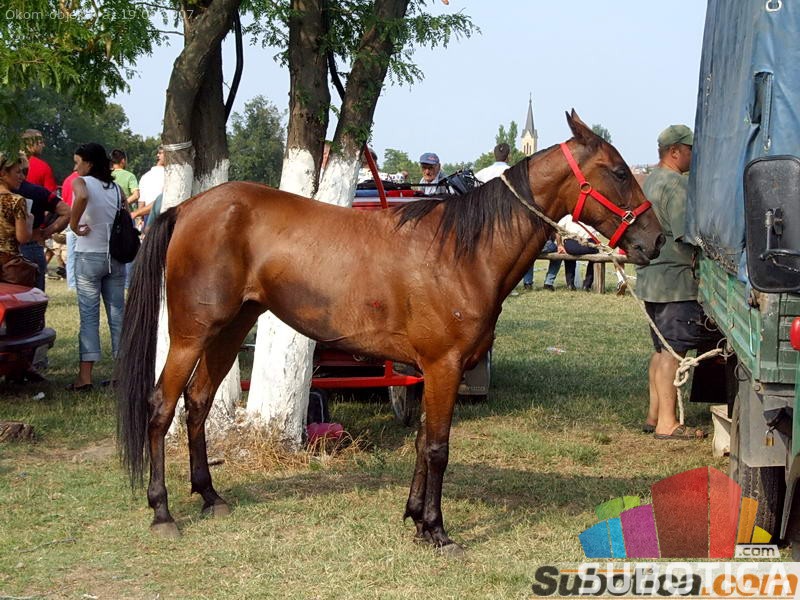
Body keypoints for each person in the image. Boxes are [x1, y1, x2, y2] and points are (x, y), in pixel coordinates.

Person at [636, 125, 718, 440]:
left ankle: (654, 415)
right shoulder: (676, 185)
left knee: (661, 351)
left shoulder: (650, 181)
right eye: (690, 150)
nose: (694, 155)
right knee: (674, 353)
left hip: (652, 280)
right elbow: (690, 235)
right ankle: (668, 424)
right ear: (675, 152)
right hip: (676, 282)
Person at [66, 143, 126, 392]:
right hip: (114, 257)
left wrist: (73, 224)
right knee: (117, 316)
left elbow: (81, 196)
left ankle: (85, 377)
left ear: (88, 164)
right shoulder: (116, 188)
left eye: (78, 162)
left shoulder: (81, 183)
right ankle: (121, 373)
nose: (75, 167)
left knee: (89, 317)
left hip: (89, 255)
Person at [14, 171, 71, 290]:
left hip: (16, 248)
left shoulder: (13, 196)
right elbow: (66, 212)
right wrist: (46, 232)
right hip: (32, 246)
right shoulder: (37, 191)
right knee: (34, 297)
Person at [541, 215, 599, 291]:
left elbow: (557, 230)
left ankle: (570, 284)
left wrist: (559, 245)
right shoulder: (591, 214)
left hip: (571, 244)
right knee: (596, 255)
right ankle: (587, 284)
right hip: (588, 244)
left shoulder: (568, 215)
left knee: (569, 253)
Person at [0, 153, 34, 266]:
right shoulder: (16, 200)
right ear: (3, 173)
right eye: (18, 172)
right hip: (7, 263)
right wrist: (30, 221)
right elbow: (23, 237)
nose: (22, 177)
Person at [132, 146, 164, 223]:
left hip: (147, 215)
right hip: (164, 215)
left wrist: (140, 217)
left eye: (160, 153)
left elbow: (141, 201)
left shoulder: (145, 176)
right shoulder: (171, 176)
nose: (157, 155)